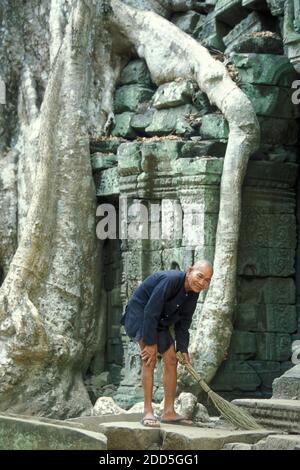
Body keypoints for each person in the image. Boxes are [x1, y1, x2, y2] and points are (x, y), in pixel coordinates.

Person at [120, 260, 213, 427]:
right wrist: (149, 343)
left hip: (158, 321)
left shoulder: (193, 292)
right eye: (200, 277)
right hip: (140, 317)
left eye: (207, 280)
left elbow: (184, 323)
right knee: (150, 359)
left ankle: (168, 412)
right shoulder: (171, 280)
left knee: (171, 359)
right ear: (189, 270)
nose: (202, 283)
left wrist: (183, 348)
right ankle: (148, 412)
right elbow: (150, 310)